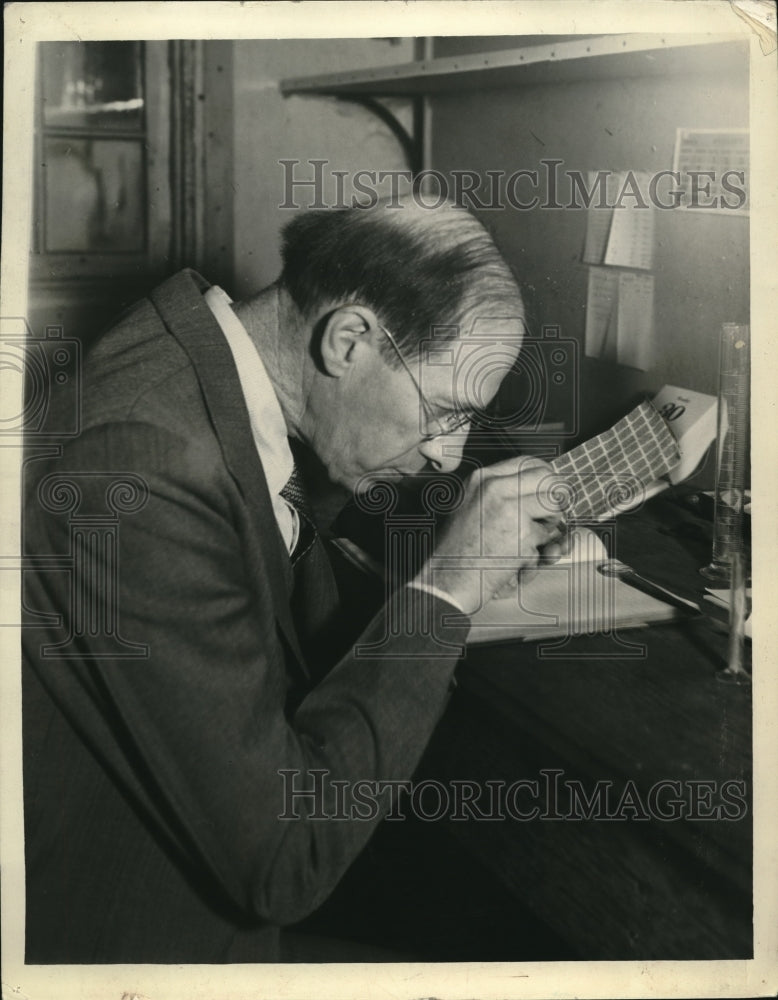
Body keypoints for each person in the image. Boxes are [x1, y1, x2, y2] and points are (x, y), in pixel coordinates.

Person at [22, 200, 566, 963]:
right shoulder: (144, 465)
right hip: (133, 944)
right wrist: (449, 586)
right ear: (347, 340)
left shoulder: (204, 364)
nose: (450, 454)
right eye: (445, 412)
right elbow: (284, 860)